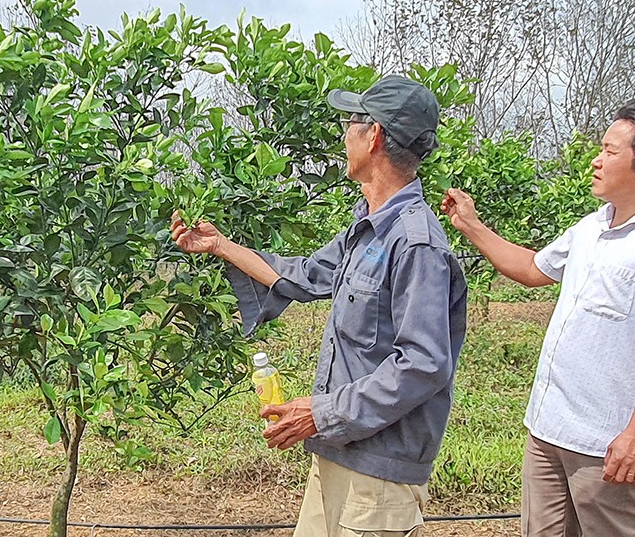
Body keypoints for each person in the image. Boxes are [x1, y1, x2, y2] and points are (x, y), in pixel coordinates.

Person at [171, 76, 468, 537]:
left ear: (374, 136)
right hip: (337, 452)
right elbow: (303, 276)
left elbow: (424, 365)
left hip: (378, 474)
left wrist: (322, 412)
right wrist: (219, 246)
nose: (343, 134)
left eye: (351, 122)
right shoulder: (366, 226)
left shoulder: (415, 244)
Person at [441, 97, 635, 537]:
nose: (596, 160)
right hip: (547, 427)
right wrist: (471, 225)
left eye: (609, 151)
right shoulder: (593, 226)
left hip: (603, 442)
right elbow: (532, 269)